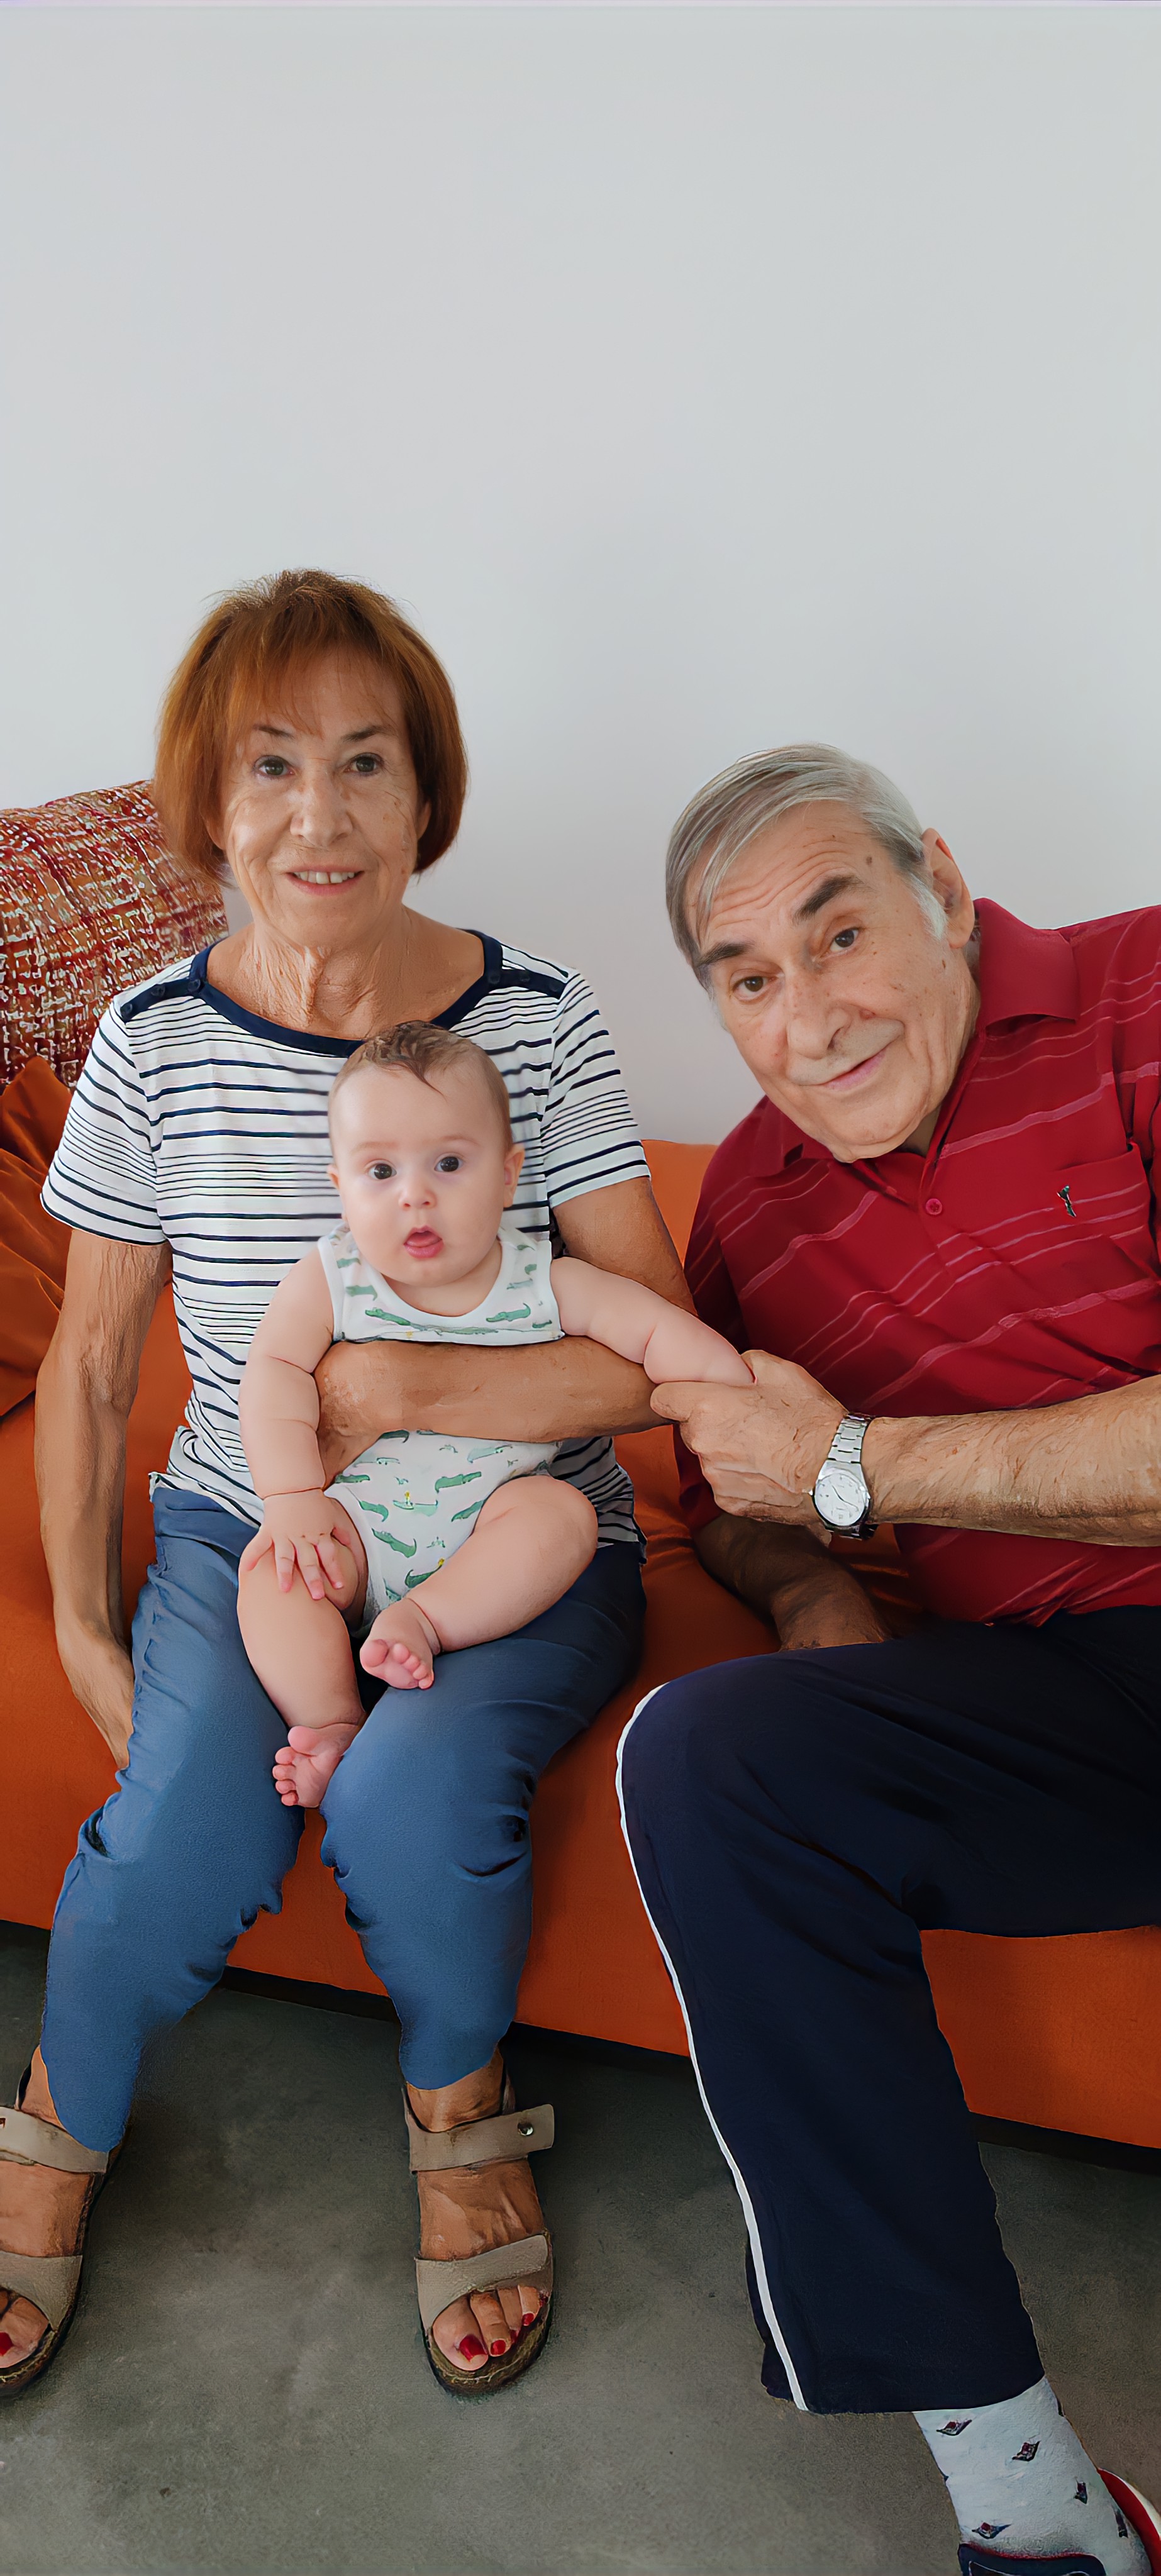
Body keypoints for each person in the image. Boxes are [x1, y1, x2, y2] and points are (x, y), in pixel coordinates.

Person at [0, 567, 691, 2402]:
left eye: (366, 761)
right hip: (255, 1526)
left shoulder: (537, 1019)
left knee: (409, 1799)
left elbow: (657, 1361)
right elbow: (91, 1363)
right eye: (271, 765)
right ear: (209, 806)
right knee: (175, 1827)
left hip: (515, 1535)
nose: (320, 814)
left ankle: (459, 2107)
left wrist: (400, 1388)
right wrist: (83, 1630)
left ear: (424, 794)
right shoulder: (151, 1040)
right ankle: (57, 2117)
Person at [618, 745, 1161, 2576]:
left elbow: (825, 1463)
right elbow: (734, 1492)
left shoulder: (1140, 995)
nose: (808, 1019)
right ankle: (1031, 2510)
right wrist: (814, 1605)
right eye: (746, 979)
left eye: (838, 933)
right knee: (705, 1759)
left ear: (939, 882)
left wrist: (863, 1465)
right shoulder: (751, 1211)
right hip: (1079, 1712)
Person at [237, 1018, 750, 1805]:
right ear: (340, 1185)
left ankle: (427, 1621)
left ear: (509, 1176)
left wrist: (734, 1384)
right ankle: (331, 1719)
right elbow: (272, 1372)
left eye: (448, 1163)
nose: (414, 1193)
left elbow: (653, 1329)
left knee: (562, 1514)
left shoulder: (542, 1280)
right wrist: (290, 1497)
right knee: (270, 1572)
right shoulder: (333, 1278)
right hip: (356, 1529)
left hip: (489, 1528)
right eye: (380, 1170)